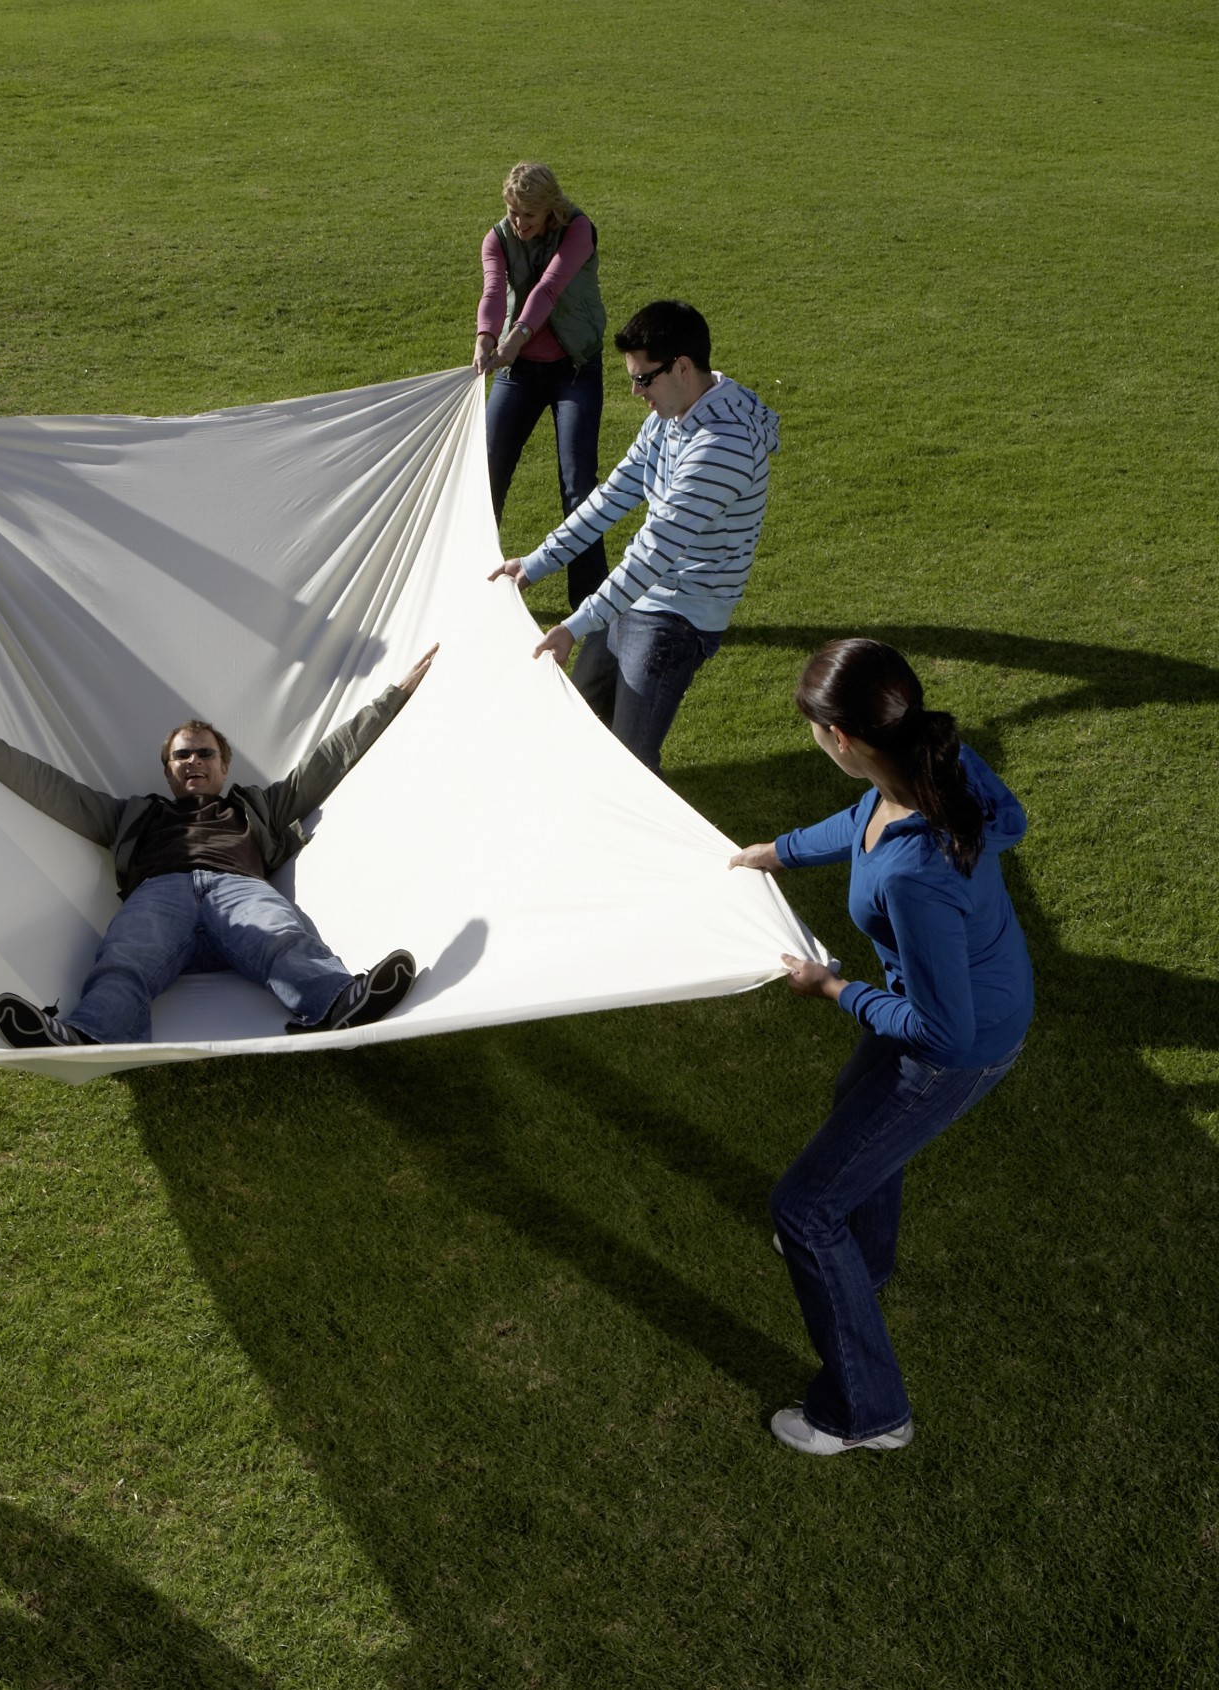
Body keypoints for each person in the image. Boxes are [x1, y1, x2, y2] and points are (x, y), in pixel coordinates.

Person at [728, 640, 1032, 1455]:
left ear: (841, 737)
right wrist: (778, 852)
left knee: (802, 1208)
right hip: (965, 999)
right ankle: (863, 1264)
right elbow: (866, 821)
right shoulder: (932, 767)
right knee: (851, 1110)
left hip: (957, 1043)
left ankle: (867, 1414)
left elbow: (942, 1032)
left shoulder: (913, 876)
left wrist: (834, 989)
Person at [0, 645, 439, 1046]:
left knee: (282, 938)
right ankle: (87, 1036)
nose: (193, 761)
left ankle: (339, 1001)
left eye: (205, 753)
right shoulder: (132, 815)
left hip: (238, 888)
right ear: (167, 771)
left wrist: (393, 698)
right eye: (181, 756)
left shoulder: (260, 806)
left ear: (224, 767)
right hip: (161, 894)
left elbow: (327, 761)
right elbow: (51, 788)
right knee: (125, 959)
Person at [489, 299, 779, 774]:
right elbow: (611, 497)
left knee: (631, 765)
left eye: (643, 379)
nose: (634, 391)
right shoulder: (669, 418)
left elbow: (654, 552)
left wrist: (573, 627)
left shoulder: (723, 447)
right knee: (577, 725)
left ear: (681, 368)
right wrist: (536, 563)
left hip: (677, 617)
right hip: (632, 596)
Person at [474, 160, 608, 609]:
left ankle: (590, 601)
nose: (518, 223)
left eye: (528, 215)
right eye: (512, 213)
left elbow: (549, 289)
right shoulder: (497, 239)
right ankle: (471, 585)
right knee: (486, 475)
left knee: (578, 483)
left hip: (575, 368)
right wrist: (486, 336)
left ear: (551, 207)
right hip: (519, 373)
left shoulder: (578, 230)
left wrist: (515, 337)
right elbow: (494, 291)